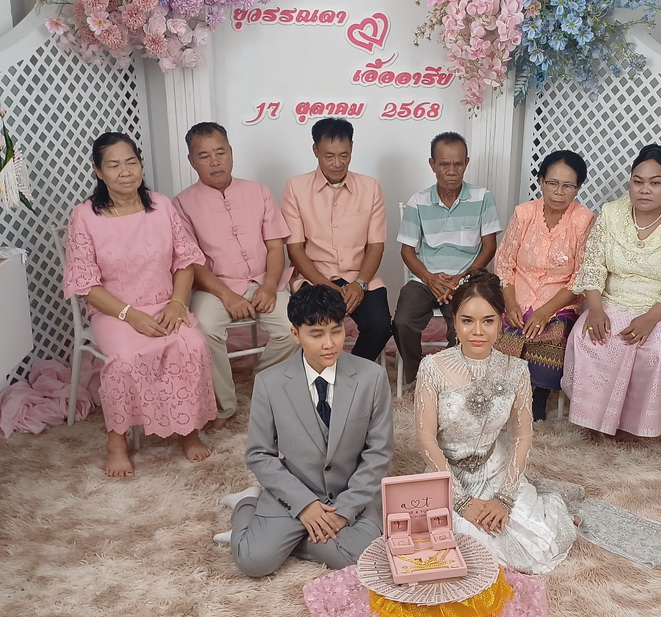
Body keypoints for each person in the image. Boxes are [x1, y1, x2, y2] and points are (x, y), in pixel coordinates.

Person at [63, 132, 217, 477]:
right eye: (114, 165)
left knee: (191, 345)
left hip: (165, 302)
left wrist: (178, 303)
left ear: (141, 165)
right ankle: (116, 443)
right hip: (114, 312)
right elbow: (86, 285)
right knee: (125, 359)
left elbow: (184, 261)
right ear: (98, 171)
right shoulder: (85, 216)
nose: (125, 172)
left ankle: (187, 430)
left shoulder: (161, 205)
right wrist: (129, 315)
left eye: (131, 162)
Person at [215, 284, 394, 576]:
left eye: (336, 331)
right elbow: (259, 454)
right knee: (253, 561)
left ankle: (283, 542)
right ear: (296, 334)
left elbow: (379, 453)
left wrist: (345, 511)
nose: (329, 344)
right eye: (316, 334)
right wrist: (304, 505)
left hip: (349, 492)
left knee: (365, 558)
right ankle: (247, 503)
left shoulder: (372, 377)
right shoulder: (269, 383)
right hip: (294, 490)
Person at [414, 271, 576, 574]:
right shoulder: (433, 367)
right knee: (460, 552)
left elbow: (522, 437)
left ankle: (540, 506)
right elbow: (426, 439)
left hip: (495, 467)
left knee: (536, 546)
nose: (477, 331)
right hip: (445, 474)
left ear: (501, 321)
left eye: (488, 321)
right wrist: (460, 501)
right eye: (467, 320)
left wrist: (505, 497)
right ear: (454, 320)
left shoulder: (516, 369)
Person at [562, 144, 661, 441]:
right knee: (590, 337)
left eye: (655, 182)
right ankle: (593, 418)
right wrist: (595, 309)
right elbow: (593, 266)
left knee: (658, 350)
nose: (645, 189)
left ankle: (635, 426)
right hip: (612, 300)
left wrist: (649, 319)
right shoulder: (610, 214)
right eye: (638, 181)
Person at [173, 122, 298, 430]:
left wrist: (269, 287)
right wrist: (227, 296)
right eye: (204, 156)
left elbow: (275, 247)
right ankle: (225, 405)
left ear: (231, 153)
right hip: (215, 287)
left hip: (263, 280)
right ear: (191, 161)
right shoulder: (181, 204)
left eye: (221, 152)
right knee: (204, 329)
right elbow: (192, 264)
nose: (215, 161)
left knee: (293, 328)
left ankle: (264, 384)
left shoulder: (258, 192)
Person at [493, 150, 596, 421]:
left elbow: (581, 277)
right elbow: (503, 263)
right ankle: (507, 391)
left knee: (552, 334)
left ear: (578, 188)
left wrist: (544, 311)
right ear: (541, 181)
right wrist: (510, 303)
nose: (559, 192)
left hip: (559, 302)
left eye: (568, 186)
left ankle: (538, 394)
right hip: (518, 295)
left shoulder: (584, 220)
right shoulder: (524, 213)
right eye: (552, 183)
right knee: (502, 333)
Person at [393, 131, 502, 387]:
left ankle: (454, 379)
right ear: (432, 164)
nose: (451, 171)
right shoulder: (418, 202)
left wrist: (461, 279)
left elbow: (489, 247)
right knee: (402, 321)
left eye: (458, 164)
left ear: (466, 163)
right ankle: (419, 376)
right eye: (444, 164)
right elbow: (407, 251)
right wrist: (430, 279)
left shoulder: (483, 198)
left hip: (467, 279)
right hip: (426, 280)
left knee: (463, 324)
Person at [282, 117, 391, 363]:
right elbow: (295, 249)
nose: (337, 163)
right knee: (315, 325)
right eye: (329, 156)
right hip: (313, 278)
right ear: (315, 150)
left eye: (344, 155)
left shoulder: (370, 187)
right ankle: (321, 369)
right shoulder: (296, 188)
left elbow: (376, 245)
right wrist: (324, 286)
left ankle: (352, 372)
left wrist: (360, 284)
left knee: (380, 325)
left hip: (360, 277)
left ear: (352, 148)